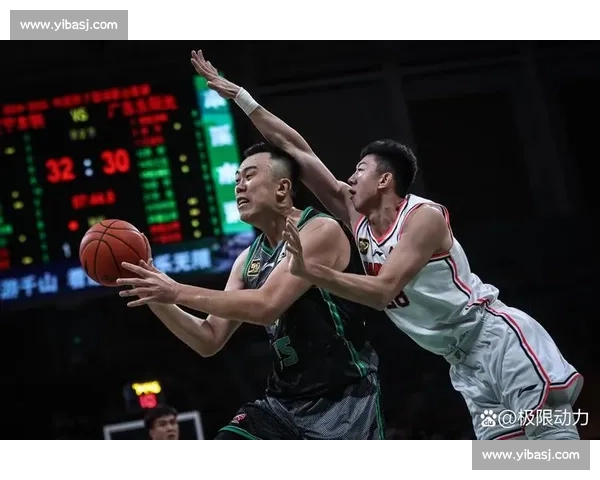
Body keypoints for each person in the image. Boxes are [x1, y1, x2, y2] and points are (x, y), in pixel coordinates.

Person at [189, 50, 584, 441]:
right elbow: (296, 150)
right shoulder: (357, 218)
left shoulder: (423, 218)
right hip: (462, 364)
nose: (349, 178)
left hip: (495, 339)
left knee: (556, 452)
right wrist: (242, 98)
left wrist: (313, 272)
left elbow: (382, 292)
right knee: (511, 464)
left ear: (384, 180)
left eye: (359, 170)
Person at [117, 141, 384, 440]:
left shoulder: (320, 230)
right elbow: (208, 338)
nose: (239, 187)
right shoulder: (246, 260)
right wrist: (153, 293)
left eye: (249, 176)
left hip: (345, 399)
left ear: (282, 188)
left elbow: (267, 306)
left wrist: (176, 290)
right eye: (236, 180)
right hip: (282, 404)